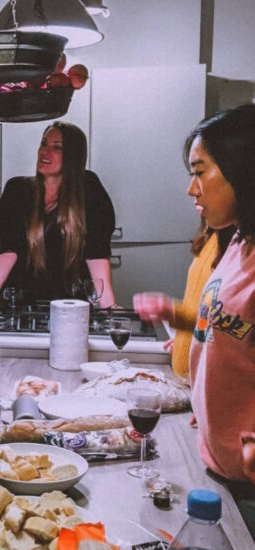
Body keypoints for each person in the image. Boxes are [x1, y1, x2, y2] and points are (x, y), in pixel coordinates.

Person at [183, 104, 255, 536]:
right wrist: (208, 407)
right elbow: (229, 330)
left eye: (200, 171)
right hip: (219, 473)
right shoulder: (239, 243)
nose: (191, 190)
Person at [0, 121, 117, 308]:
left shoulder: (89, 190)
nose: (45, 152)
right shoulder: (17, 191)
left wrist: (109, 310)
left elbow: (97, 255)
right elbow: (5, 252)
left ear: (72, 157)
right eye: (44, 144)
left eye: (57, 148)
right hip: (22, 306)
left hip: (73, 308)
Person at [133, 222, 235, 378]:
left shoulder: (241, 246)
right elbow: (203, 308)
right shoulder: (212, 235)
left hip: (210, 382)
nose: (192, 195)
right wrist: (183, 341)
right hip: (187, 379)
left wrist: (174, 314)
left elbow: (234, 326)